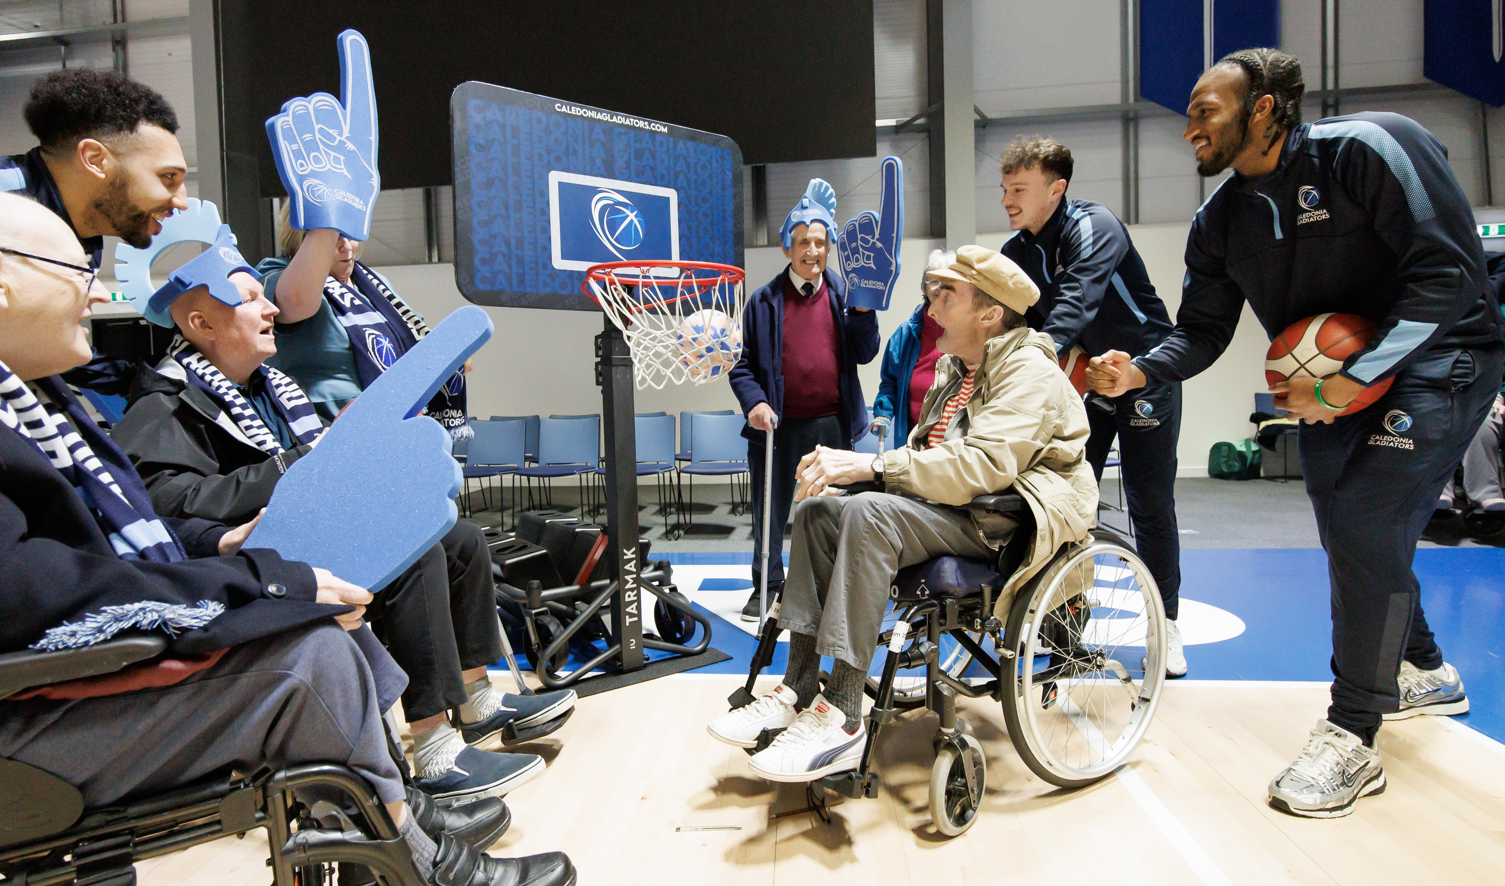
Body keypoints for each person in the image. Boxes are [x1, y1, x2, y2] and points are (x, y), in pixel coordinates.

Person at [0, 192, 574, 886]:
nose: (94, 295)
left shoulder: (57, 409)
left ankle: (394, 802)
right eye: (74, 272)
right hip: (53, 687)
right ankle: (408, 828)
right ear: (202, 320)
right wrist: (250, 568)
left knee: (428, 546)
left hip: (125, 627)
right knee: (315, 648)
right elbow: (99, 551)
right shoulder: (161, 403)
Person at [1088, 48, 1501, 818]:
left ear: (1265, 108)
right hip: (1331, 388)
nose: (1189, 130)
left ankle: (1352, 731)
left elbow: (1448, 272)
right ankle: (1424, 668)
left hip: (1440, 355)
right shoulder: (1218, 224)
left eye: (1204, 111)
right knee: (1346, 526)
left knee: (1363, 518)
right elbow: (1202, 333)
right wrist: (1139, 370)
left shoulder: (1370, 149)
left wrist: (1361, 369)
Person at [109, 222, 575, 802]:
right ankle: (434, 751)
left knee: (457, 537)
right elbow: (165, 505)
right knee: (413, 552)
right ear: (200, 324)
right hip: (244, 559)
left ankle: (476, 698)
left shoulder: (270, 387)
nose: (270, 308)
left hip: (294, 532)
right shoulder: (162, 404)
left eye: (263, 294)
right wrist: (298, 466)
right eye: (250, 299)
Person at [708, 246, 1096, 782]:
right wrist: (870, 473)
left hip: (1001, 522)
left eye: (946, 295)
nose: (931, 307)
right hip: (943, 509)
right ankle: (798, 684)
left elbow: (981, 467)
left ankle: (843, 715)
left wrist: (871, 466)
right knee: (820, 511)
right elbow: (929, 456)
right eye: (931, 294)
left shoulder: (1029, 370)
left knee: (868, 513)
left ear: (989, 313)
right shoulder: (957, 370)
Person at [996, 136, 1187, 677]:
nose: (1008, 200)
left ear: (1057, 189)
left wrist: (1043, 361)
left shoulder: (1094, 225)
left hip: (1144, 371)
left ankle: (1166, 625)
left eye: (1020, 189)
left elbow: (1077, 301)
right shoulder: (1017, 253)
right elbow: (1018, 321)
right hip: (1087, 379)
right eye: (1005, 188)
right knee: (1068, 502)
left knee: (1150, 503)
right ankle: (1066, 635)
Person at [728, 180, 880, 620]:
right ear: (786, 248)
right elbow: (740, 364)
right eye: (803, 242)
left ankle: (831, 584)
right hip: (777, 427)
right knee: (770, 512)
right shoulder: (762, 302)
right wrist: (754, 402)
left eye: (820, 241)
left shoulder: (847, 294)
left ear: (829, 246)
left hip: (833, 425)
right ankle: (767, 587)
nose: (812, 250)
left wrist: (865, 312)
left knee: (830, 509)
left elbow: (866, 352)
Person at [0, 67, 190, 395]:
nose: (182, 201)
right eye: (167, 177)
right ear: (95, 160)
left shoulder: (84, 233)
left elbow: (42, 339)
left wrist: (135, 380)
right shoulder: (7, 204)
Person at [255, 205, 470, 435]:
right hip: (321, 432)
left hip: (389, 427)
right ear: (302, 239)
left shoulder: (373, 283)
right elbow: (295, 302)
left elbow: (413, 337)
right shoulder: (279, 274)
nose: (345, 245)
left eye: (349, 233)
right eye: (332, 237)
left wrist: (448, 355)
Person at [871, 249, 952, 446]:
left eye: (947, 282)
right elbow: (890, 381)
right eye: (933, 281)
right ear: (924, 288)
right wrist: (883, 413)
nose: (939, 288)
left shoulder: (969, 331)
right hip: (912, 440)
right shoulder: (905, 334)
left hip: (955, 443)